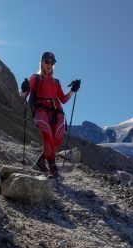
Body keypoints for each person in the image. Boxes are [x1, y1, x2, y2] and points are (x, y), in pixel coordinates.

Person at [21, 51, 81, 179]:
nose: (49, 64)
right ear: (41, 62)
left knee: (57, 139)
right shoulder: (35, 78)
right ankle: (54, 170)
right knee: (47, 136)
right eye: (47, 61)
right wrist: (24, 88)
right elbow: (24, 95)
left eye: (52, 62)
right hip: (41, 111)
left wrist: (73, 90)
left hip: (57, 112)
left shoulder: (56, 82)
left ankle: (40, 162)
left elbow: (63, 99)